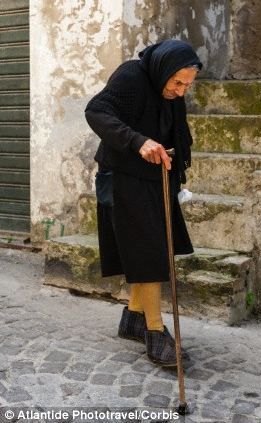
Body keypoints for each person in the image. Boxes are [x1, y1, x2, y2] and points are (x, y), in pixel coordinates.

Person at [85, 39, 202, 367]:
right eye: (178, 82)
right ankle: (154, 330)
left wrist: (179, 175)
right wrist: (138, 142)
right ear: (163, 70)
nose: (181, 91)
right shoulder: (131, 77)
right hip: (122, 175)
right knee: (148, 249)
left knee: (156, 246)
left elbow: (176, 130)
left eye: (187, 85)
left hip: (156, 177)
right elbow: (96, 111)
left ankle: (134, 317)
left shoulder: (172, 91)